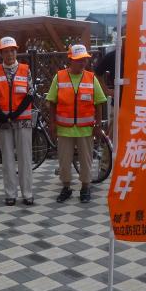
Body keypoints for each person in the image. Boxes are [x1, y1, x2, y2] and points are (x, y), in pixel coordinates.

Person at [46, 44, 107, 203]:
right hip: (64, 129)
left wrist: (98, 125)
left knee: (86, 161)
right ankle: (66, 187)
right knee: (64, 161)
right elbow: (52, 102)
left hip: (86, 129)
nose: (83, 63)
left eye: (85, 60)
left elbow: (99, 103)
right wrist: (52, 123)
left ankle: (85, 188)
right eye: (79, 60)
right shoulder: (59, 77)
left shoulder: (91, 78)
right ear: (70, 60)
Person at [0, 36, 34, 206]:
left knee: (25, 158)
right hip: (2, 121)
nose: (9, 54)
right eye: (6, 51)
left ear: (16, 51)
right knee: (7, 158)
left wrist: (15, 114)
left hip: (22, 120)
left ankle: (27, 193)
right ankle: (10, 194)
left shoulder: (25, 69)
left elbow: (30, 94)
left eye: (12, 50)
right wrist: (1, 114)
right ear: (1, 53)